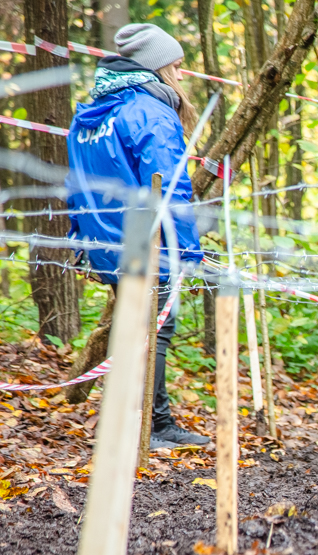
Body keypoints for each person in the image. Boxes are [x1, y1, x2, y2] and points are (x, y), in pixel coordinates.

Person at [66, 23, 209, 449]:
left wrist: (82, 240)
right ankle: (152, 426)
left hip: (105, 243)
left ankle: (140, 420)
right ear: (156, 68)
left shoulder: (91, 112)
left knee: (136, 330)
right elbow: (170, 187)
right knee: (155, 330)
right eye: (176, 67)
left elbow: (77, 185)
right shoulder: (150, 111)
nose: (180, 77)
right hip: (147, 242)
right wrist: (188, 252)